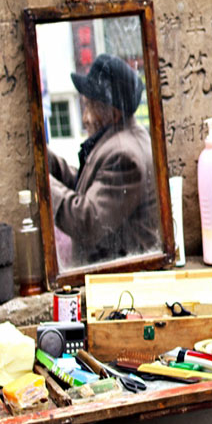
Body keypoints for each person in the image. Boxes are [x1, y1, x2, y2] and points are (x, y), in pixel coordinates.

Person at [49, 53, 159, 266]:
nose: (85, 119)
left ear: (114, 114)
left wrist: (47, 186)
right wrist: (49, 163)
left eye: (90, 107)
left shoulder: (124, 155)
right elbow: (88, 185)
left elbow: (88, 221)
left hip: (119, 280)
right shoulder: (123, 137)